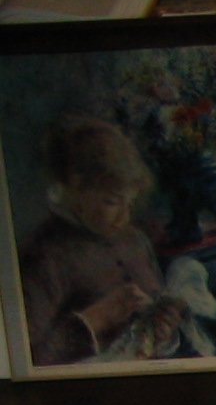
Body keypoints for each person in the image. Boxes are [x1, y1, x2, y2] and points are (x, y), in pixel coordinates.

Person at [18, 118, 184, 367]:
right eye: (112, 202)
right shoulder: (44, 255)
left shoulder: (135, 241)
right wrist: (94, 320)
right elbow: (24, 358)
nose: (124, 217)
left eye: (130, 203)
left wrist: (164, 328)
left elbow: (156, 316)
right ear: (76, 189)